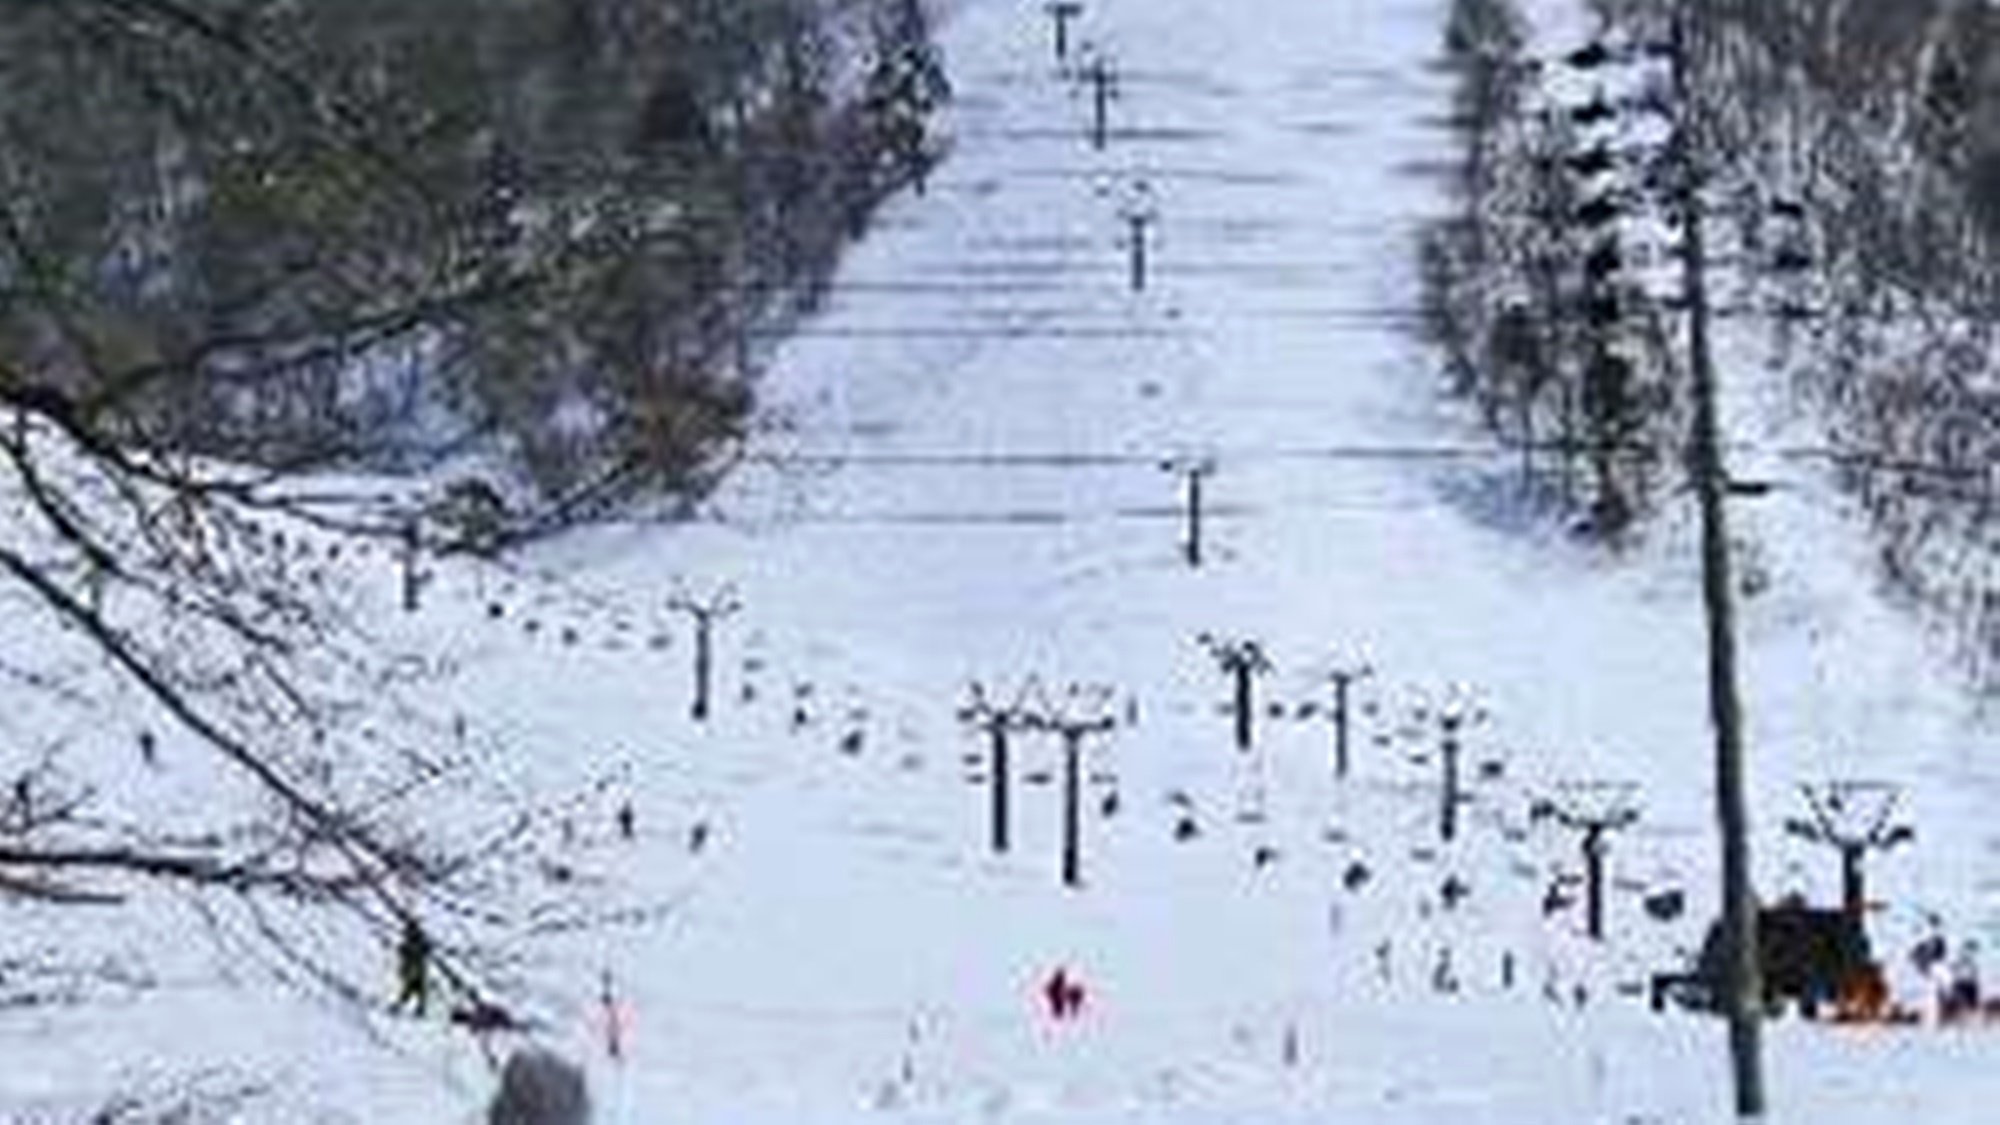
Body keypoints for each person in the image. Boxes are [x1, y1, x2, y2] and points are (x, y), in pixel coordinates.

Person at [394, 919, 432, 1016]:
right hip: (414, 967)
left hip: (416, 968)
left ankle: (416, 1008)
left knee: (415, 988)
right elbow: (402, 951)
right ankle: (416, 1008)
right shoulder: (411, 941)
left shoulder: (415, 941)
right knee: (414, 988)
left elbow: (426, 949)